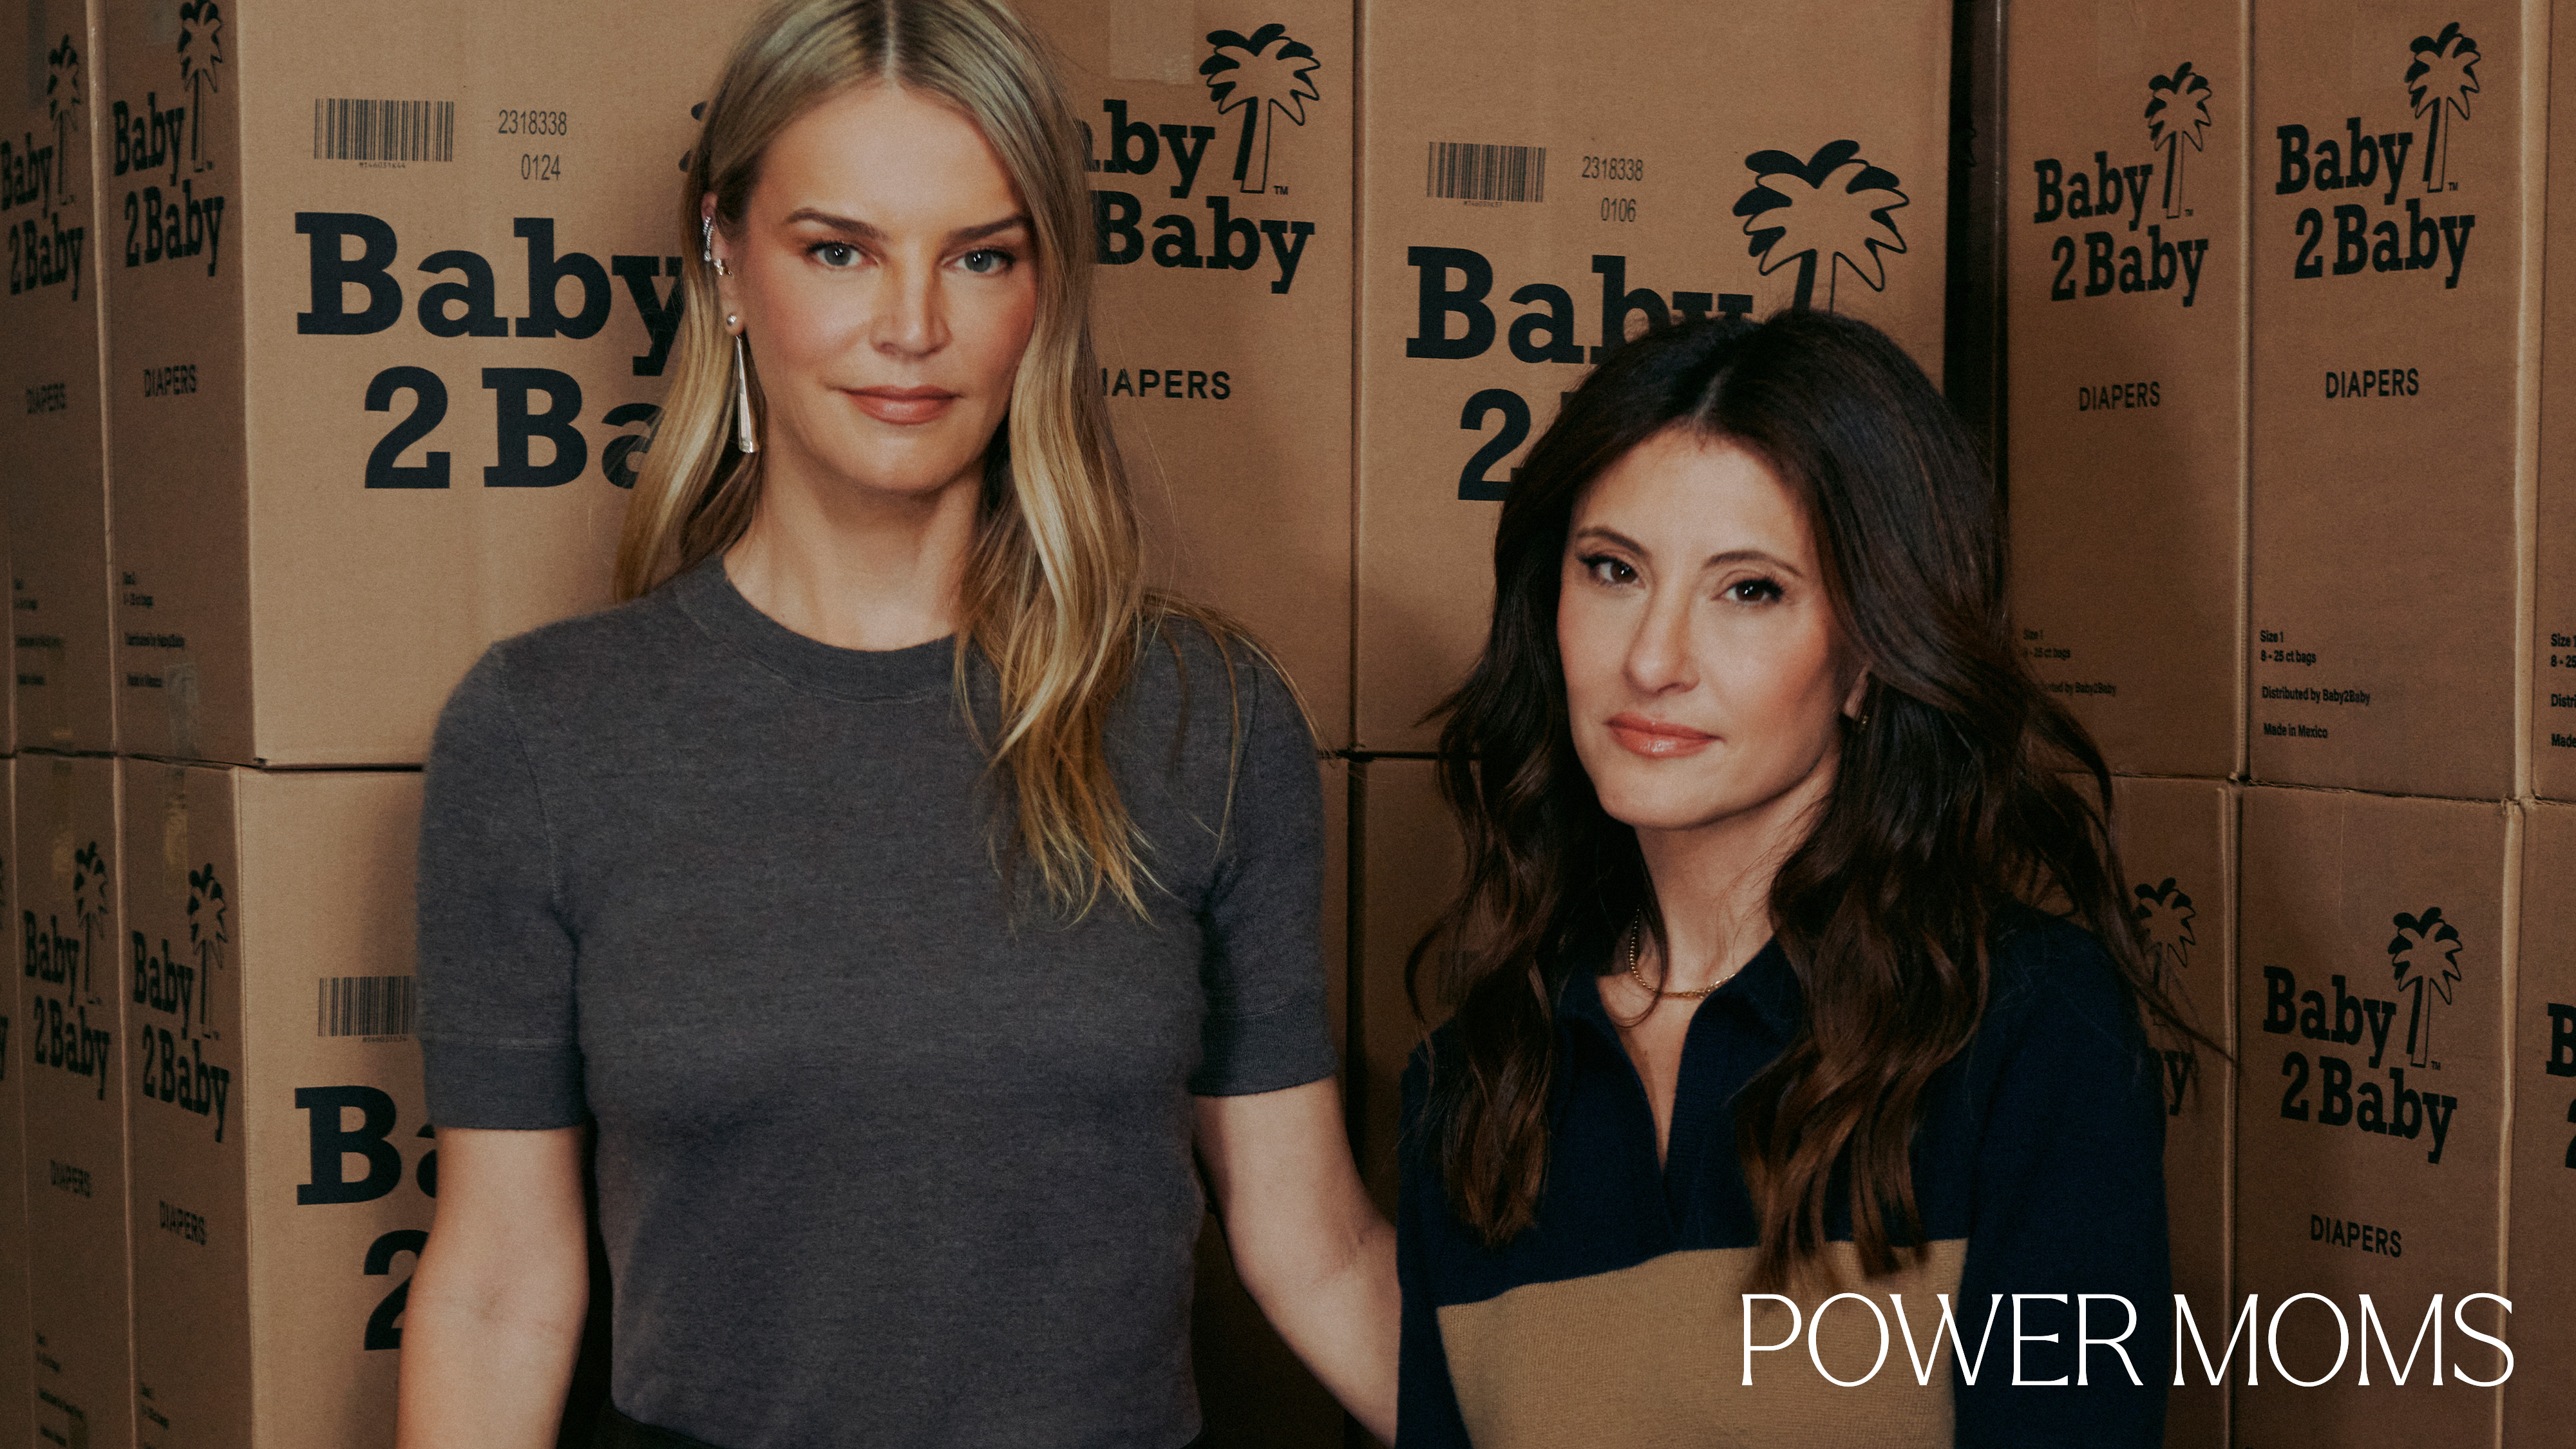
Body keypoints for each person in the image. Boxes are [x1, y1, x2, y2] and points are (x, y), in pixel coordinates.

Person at [395, 3, 1395, 1446]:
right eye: (839, 249)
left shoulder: (1204, 717)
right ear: (726, 260)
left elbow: (1314, 1244)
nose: (911, 328)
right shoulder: (545, 733)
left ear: (1041, 290)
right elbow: (498, 1283)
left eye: (978, 256)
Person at [1395, 310, 2193, 1446]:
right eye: (1613, 570)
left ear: (1868, 654)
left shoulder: (2028, 1031)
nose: (1653, 659)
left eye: (1750, 590)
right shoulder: (1479, 1079)